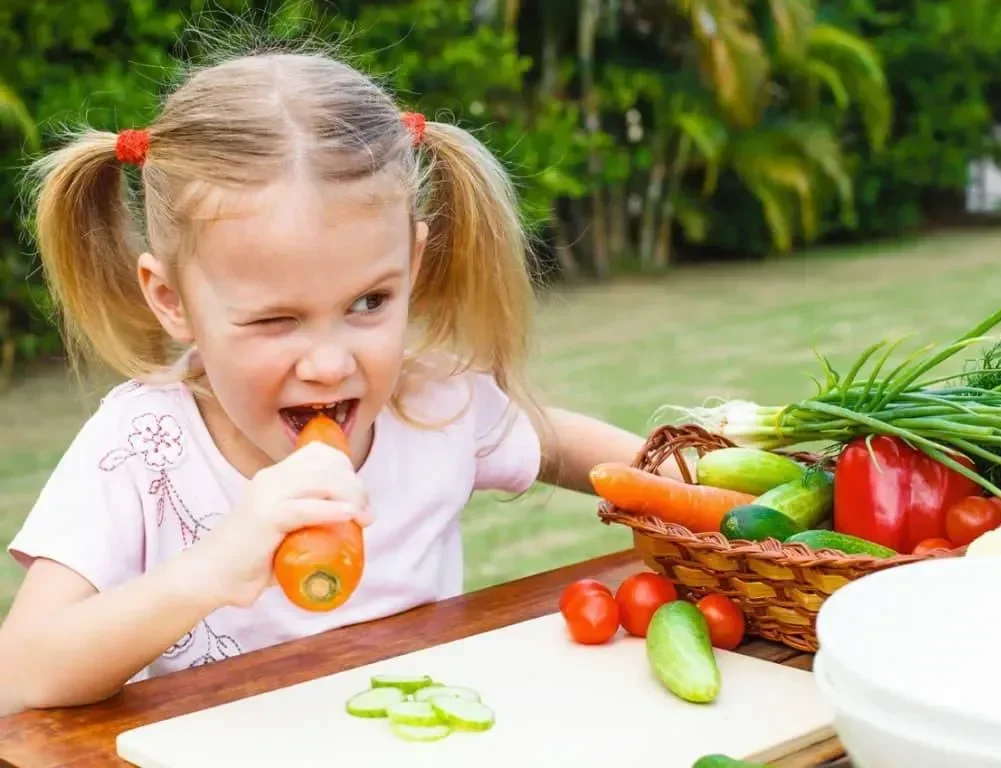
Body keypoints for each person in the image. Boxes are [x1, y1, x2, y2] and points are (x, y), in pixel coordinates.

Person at [0, 45, 652, 716]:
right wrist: (211, 570)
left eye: (368, 303)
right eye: (276, 319)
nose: (328, 364)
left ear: (413, 262)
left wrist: (696, 485)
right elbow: (21, 675)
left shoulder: (433, 405)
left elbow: (578, 453)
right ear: (171, 300)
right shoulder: (143, 446)